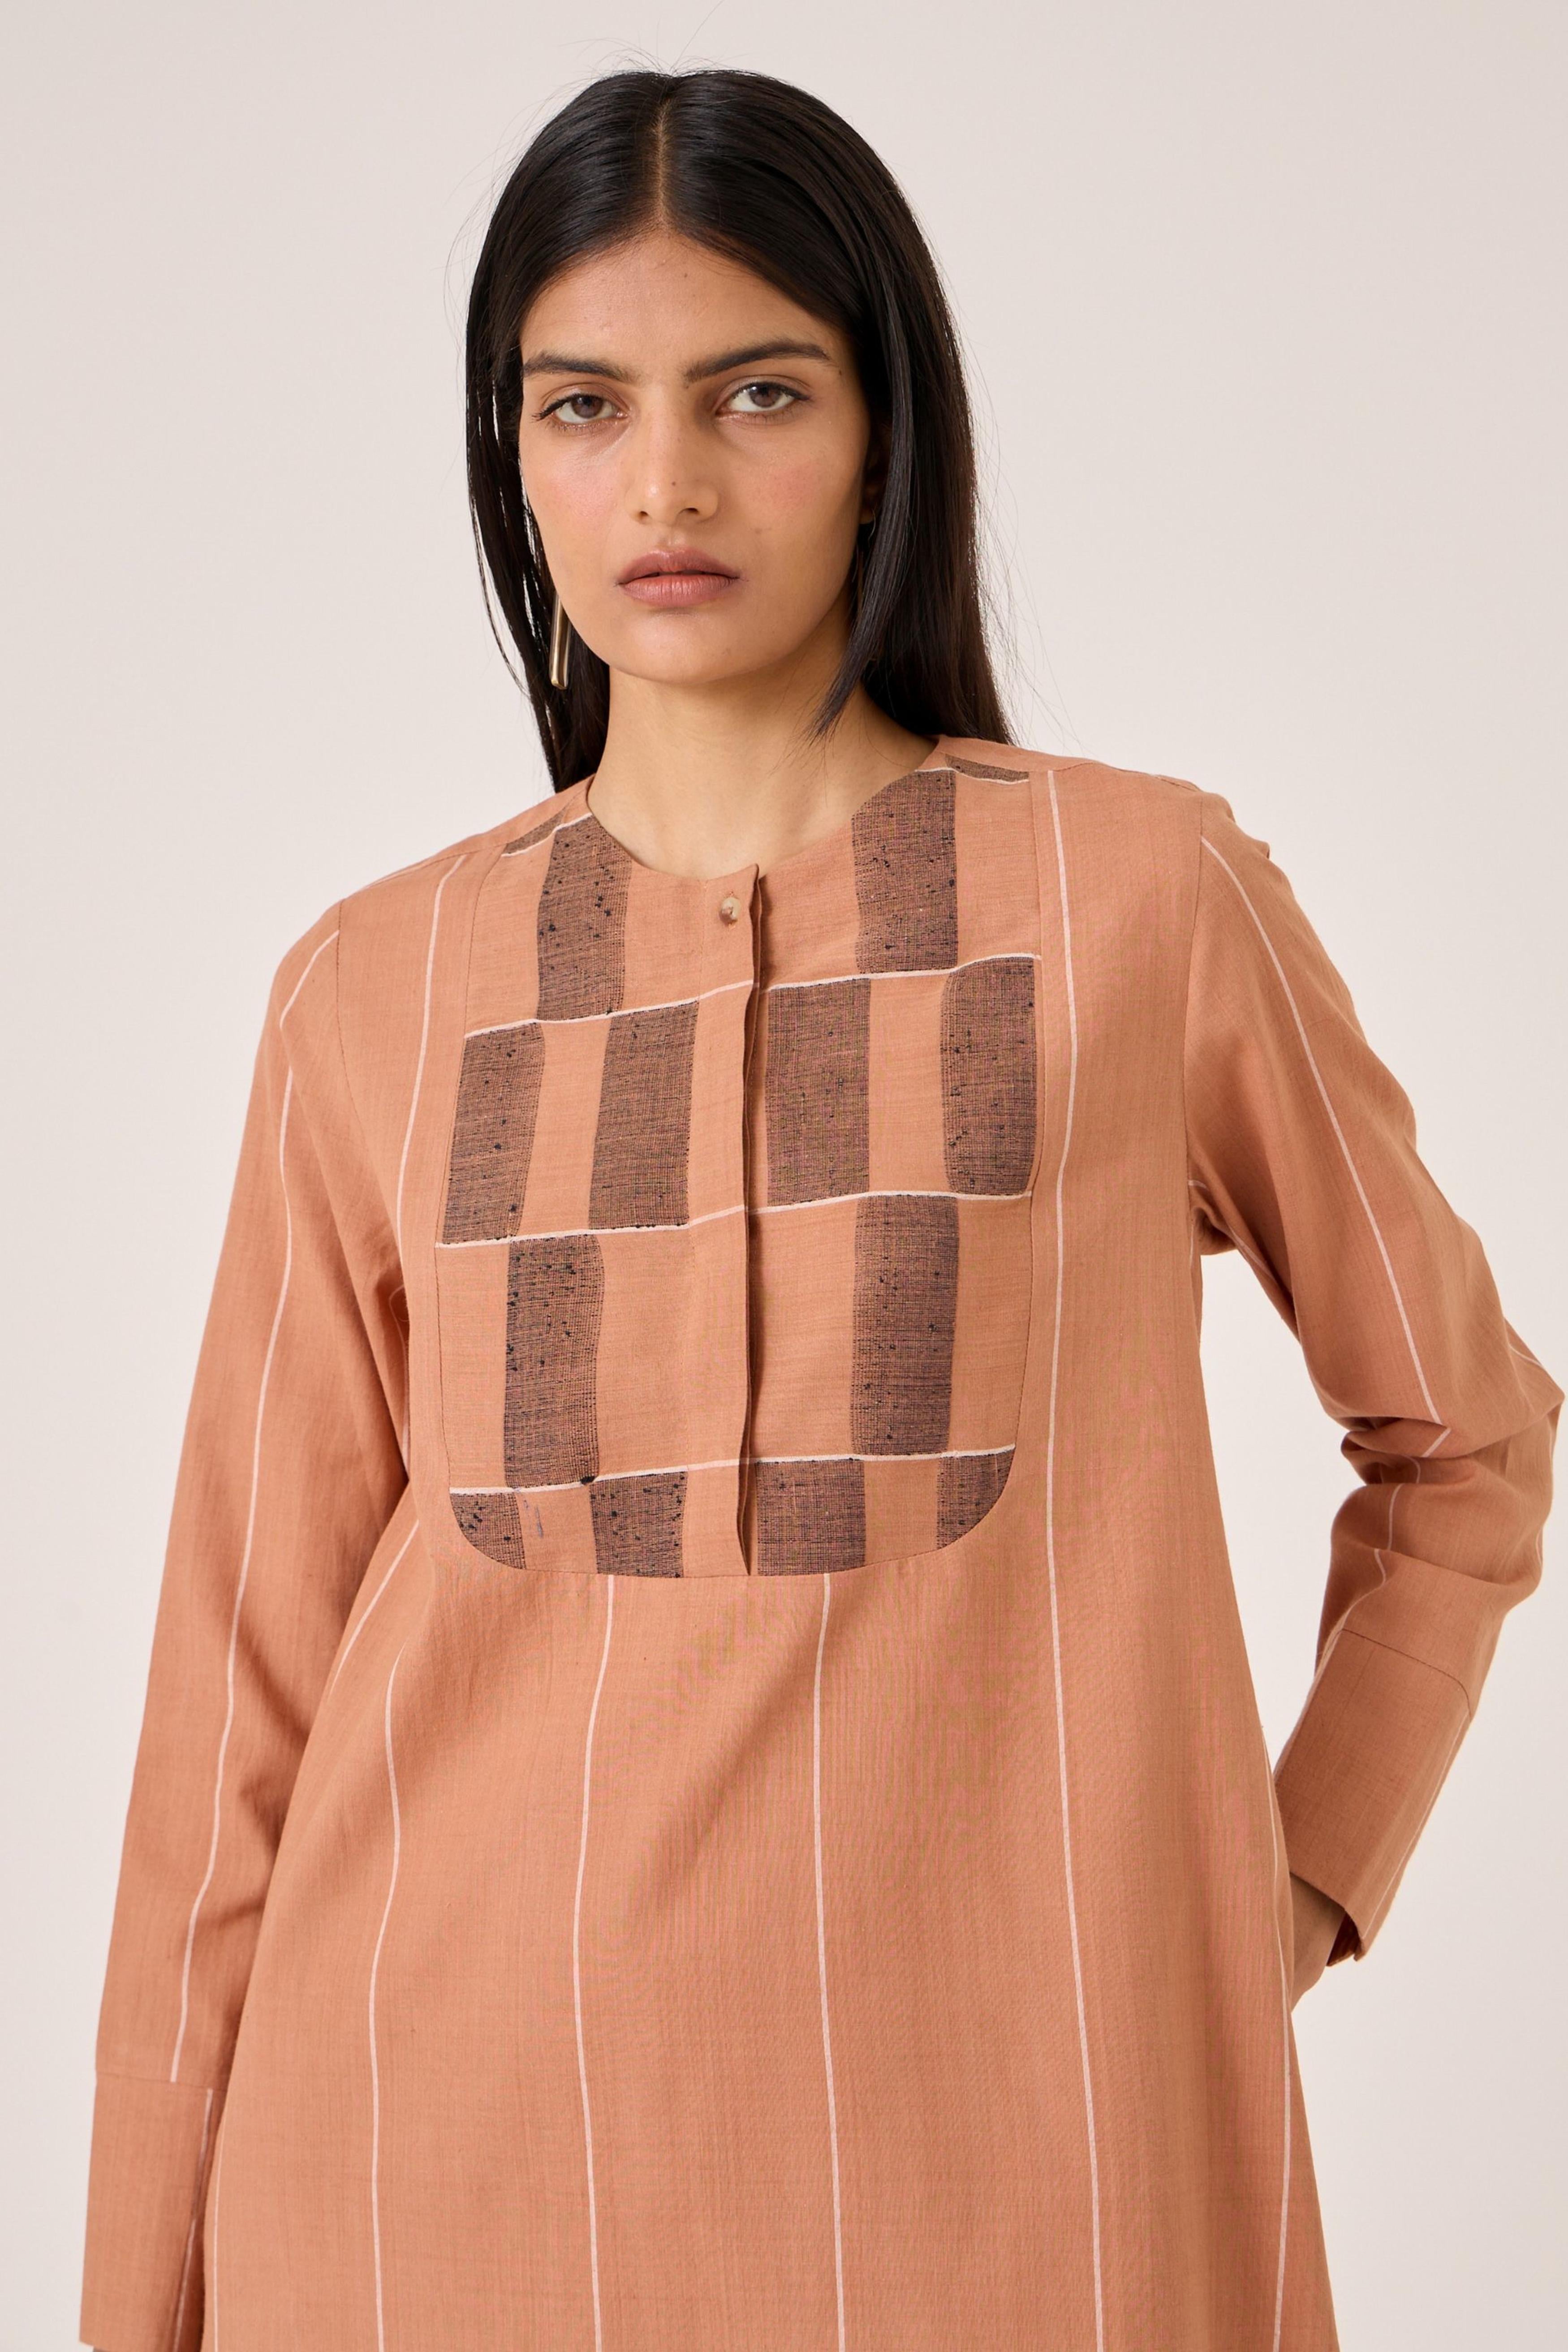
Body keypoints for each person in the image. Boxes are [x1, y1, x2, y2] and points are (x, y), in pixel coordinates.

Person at [80, 64, 1559, 2352]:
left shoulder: (1137, 901)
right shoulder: (374, 989)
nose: (663, 482)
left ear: (884, 433)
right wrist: (136, 2290)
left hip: (1041, 2188)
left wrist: (1276, 1885)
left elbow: (1465, 1444)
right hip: (418, 2188)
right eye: (582, 405)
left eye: (755, 392)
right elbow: (237, 1685)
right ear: (511, 457)